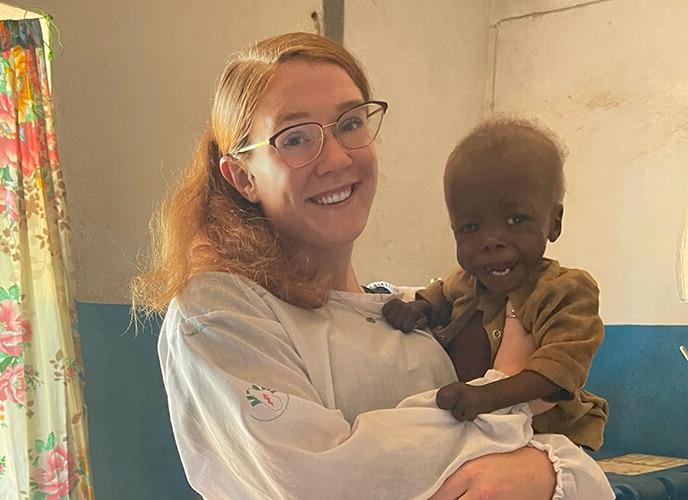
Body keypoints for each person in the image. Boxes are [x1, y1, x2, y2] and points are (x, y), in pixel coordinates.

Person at [134, 32, 614, 498]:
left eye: (349, 124)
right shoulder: (222, 312)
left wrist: (544, 473)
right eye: (295, 138)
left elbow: (581, 475)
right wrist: (505, 389)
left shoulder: (411, 313)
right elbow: (317, 481)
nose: (337, 158)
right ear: (243, 176)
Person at [382, 121, 608, 451]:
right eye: (471, 227)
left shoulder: (565, 291)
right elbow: (441, 295)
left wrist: (487, 397)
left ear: (554, 222)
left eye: (516, 220)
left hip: (550, 437)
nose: (491, 241)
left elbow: (560, 369)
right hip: (476, 428)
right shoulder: (467, 280)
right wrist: (418, 308)